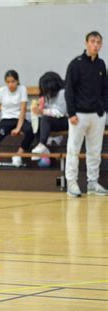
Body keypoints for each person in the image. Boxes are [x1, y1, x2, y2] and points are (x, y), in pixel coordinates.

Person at [64, 31, 107, 197]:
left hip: (97, 115)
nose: (95, 45)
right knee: (73, 150)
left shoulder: (101, 65)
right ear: (86, 43)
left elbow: (105, 89)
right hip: (78, 116)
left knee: (95, 151)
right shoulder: (76, 64)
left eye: (98, 42)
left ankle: (92, 183)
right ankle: (72, 183)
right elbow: (69, 90)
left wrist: (103, 109)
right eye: (92, 41)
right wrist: (71, 113)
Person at [0, 70, 34, 167]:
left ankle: (18, 155)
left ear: (17, 81)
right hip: (6, 119)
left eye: (13, 81)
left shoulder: (22, 89)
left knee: (30, 131)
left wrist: (18, 128)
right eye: (8, 82)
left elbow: (23, 109)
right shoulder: (2, 90)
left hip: (19, 119)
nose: (10, 84)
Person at [31, 71, 68, 159]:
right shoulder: (48, 95)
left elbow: (61, 112)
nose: (46, 92)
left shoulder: (63, 93)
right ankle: (41, 145)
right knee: (36, 120)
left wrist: (42, 111)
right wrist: (39, 106)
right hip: (55, 120)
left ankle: (42, 144)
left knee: (45, 118)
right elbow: (49, 108)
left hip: (67, 120)